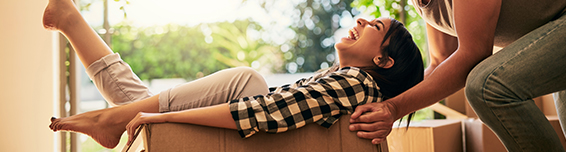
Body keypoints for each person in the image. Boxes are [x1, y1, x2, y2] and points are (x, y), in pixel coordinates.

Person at [43, 0, 424, 149]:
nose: (361, 19)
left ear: (384, 61)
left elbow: (263, 112)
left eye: (375, 26)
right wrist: (154, 114)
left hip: (249, 134)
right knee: (136, 101)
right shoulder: (344, 81)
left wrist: (165, 116)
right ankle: (69, 20)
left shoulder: (357, 83)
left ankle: (110, 114)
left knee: (247, 81)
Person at [348, 0, 566, 151]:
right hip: (551, 33)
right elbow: (441, 60)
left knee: (486, 85)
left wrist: (395, 108)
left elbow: (473, 53)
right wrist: (378, 102)